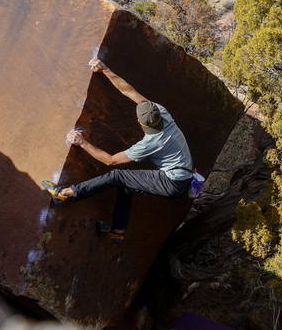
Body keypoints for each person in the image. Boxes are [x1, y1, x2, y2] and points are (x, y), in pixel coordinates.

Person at [41, 57, 193, 243]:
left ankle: (65, 193)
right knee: (127, 184)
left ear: (139, 121)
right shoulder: (161, 112)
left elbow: (110, 161)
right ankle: (118, 231)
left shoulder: (152, 142)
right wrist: (104, 69)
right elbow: (129, 91)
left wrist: (82, 143)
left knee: (118, 176)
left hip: (172, 183)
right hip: (185, 177)